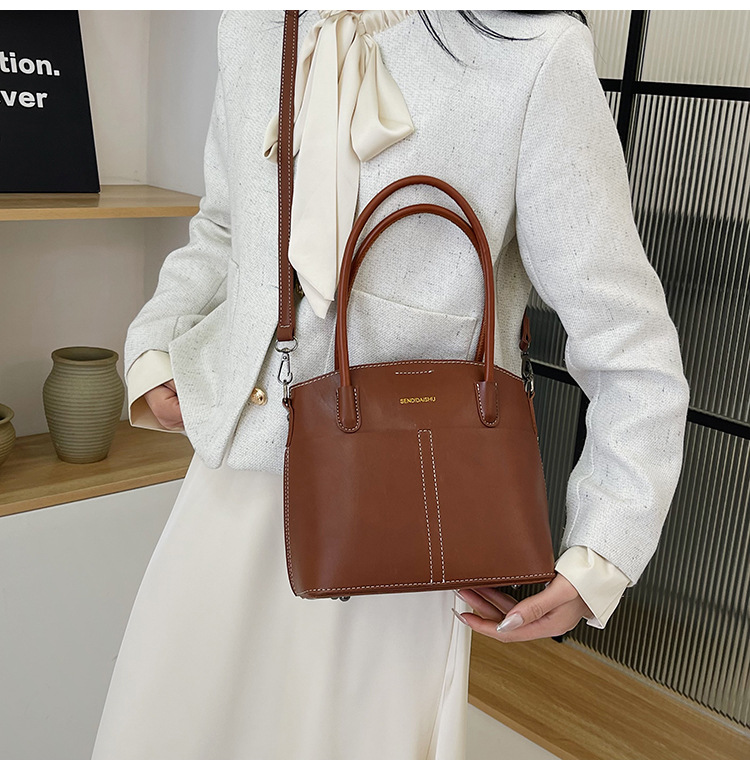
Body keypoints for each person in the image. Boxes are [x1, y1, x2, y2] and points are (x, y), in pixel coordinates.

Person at [91, 10, 690, 760]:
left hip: (403, 526)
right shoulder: (255, 22)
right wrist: (156, 346)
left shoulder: (531, 52)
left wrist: (604, 548)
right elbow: (224, 225)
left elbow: (627, 338)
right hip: (228, 499)